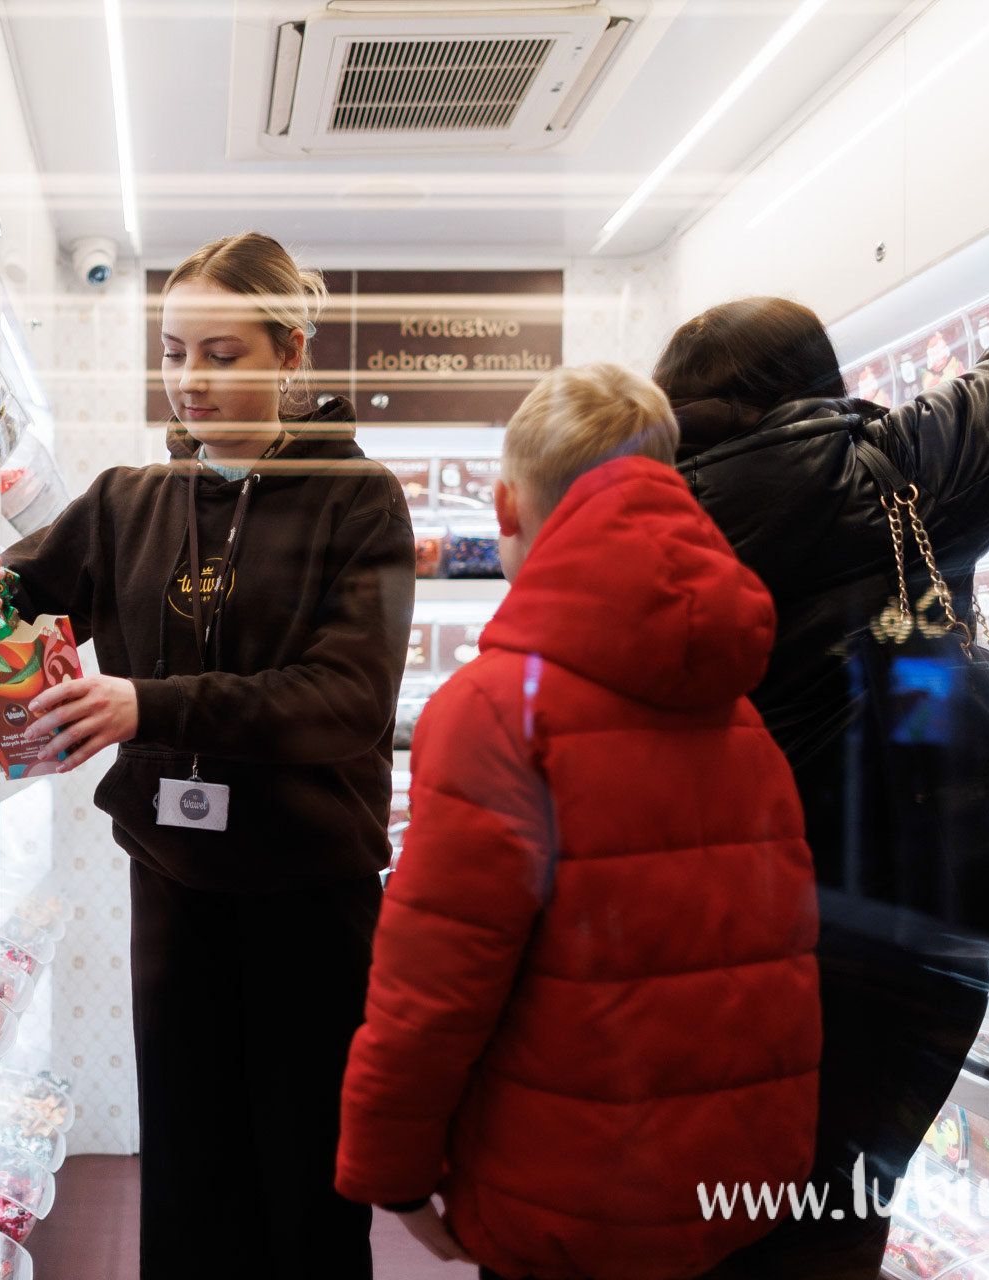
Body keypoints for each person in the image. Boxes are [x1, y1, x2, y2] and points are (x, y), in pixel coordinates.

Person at [654, 107, 989, 1278]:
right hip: (894, 940)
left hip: (707, 943)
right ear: (817, 387)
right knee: (837, 1210)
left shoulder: (637, 528)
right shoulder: (883, 474)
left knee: (736, 1206)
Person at [0, 232, 414, 1279]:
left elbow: (348, 701)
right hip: (175, 892)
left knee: (311, 1190)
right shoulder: (126, 503)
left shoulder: (358, 499)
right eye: (175, 352)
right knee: (186, 1181)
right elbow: (2, 602)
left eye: (222, 355)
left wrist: (149, 705)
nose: (191, 380)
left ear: (289, 353)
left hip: (310, 898)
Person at [334, 365, 821, 1279]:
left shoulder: (494, 711)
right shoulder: (737, 703)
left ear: (504, 507)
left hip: (566, 1190)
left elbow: (435, 988)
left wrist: (391, 1175)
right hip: (733, 1180)